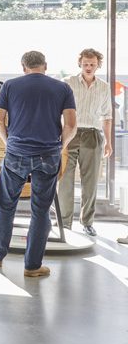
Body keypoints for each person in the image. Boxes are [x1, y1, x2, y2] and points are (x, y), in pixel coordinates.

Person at [0, 51, 77, 277]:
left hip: (16, 153)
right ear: (45, 66)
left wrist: (9, 143)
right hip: (48, 154)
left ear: (23, 67)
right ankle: (32, 266)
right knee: (40, 210)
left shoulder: (10, 86)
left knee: (6, 205)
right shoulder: (62, 88)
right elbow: (71, 125)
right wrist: (60, 146)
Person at [58, 48, 113, 237]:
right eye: (85, 64)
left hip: (93, 134)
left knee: (90, 181)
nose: (88, 67)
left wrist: (108, 142)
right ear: (80, 64)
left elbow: (107, 116)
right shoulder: (68, 83)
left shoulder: (104, 87)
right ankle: (64, 222)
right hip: (69, 133)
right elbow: (57, 110)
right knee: (65, 179)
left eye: (92, 64)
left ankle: (87, 222)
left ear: (98, 65)